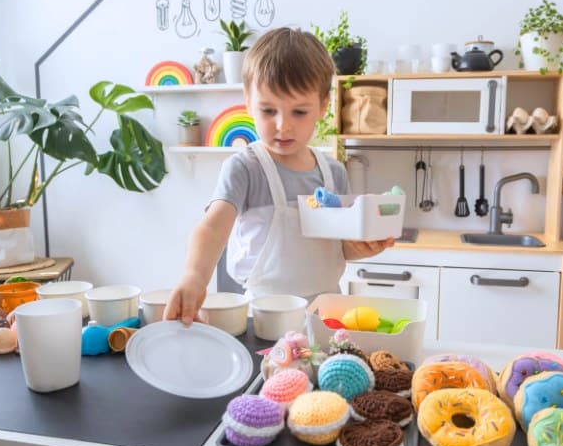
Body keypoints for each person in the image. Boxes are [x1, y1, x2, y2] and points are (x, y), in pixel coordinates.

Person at [164, 27, 394, 325]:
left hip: (327, 313)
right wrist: (194, 276)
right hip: (264, 315)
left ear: (323, 106)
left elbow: (338, 248)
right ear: (248, 100)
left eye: (299, 112)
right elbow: (212, 229)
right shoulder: (245, 167)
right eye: (269, 110)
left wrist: (362, 247)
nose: (283, 125)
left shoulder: (333, 172)